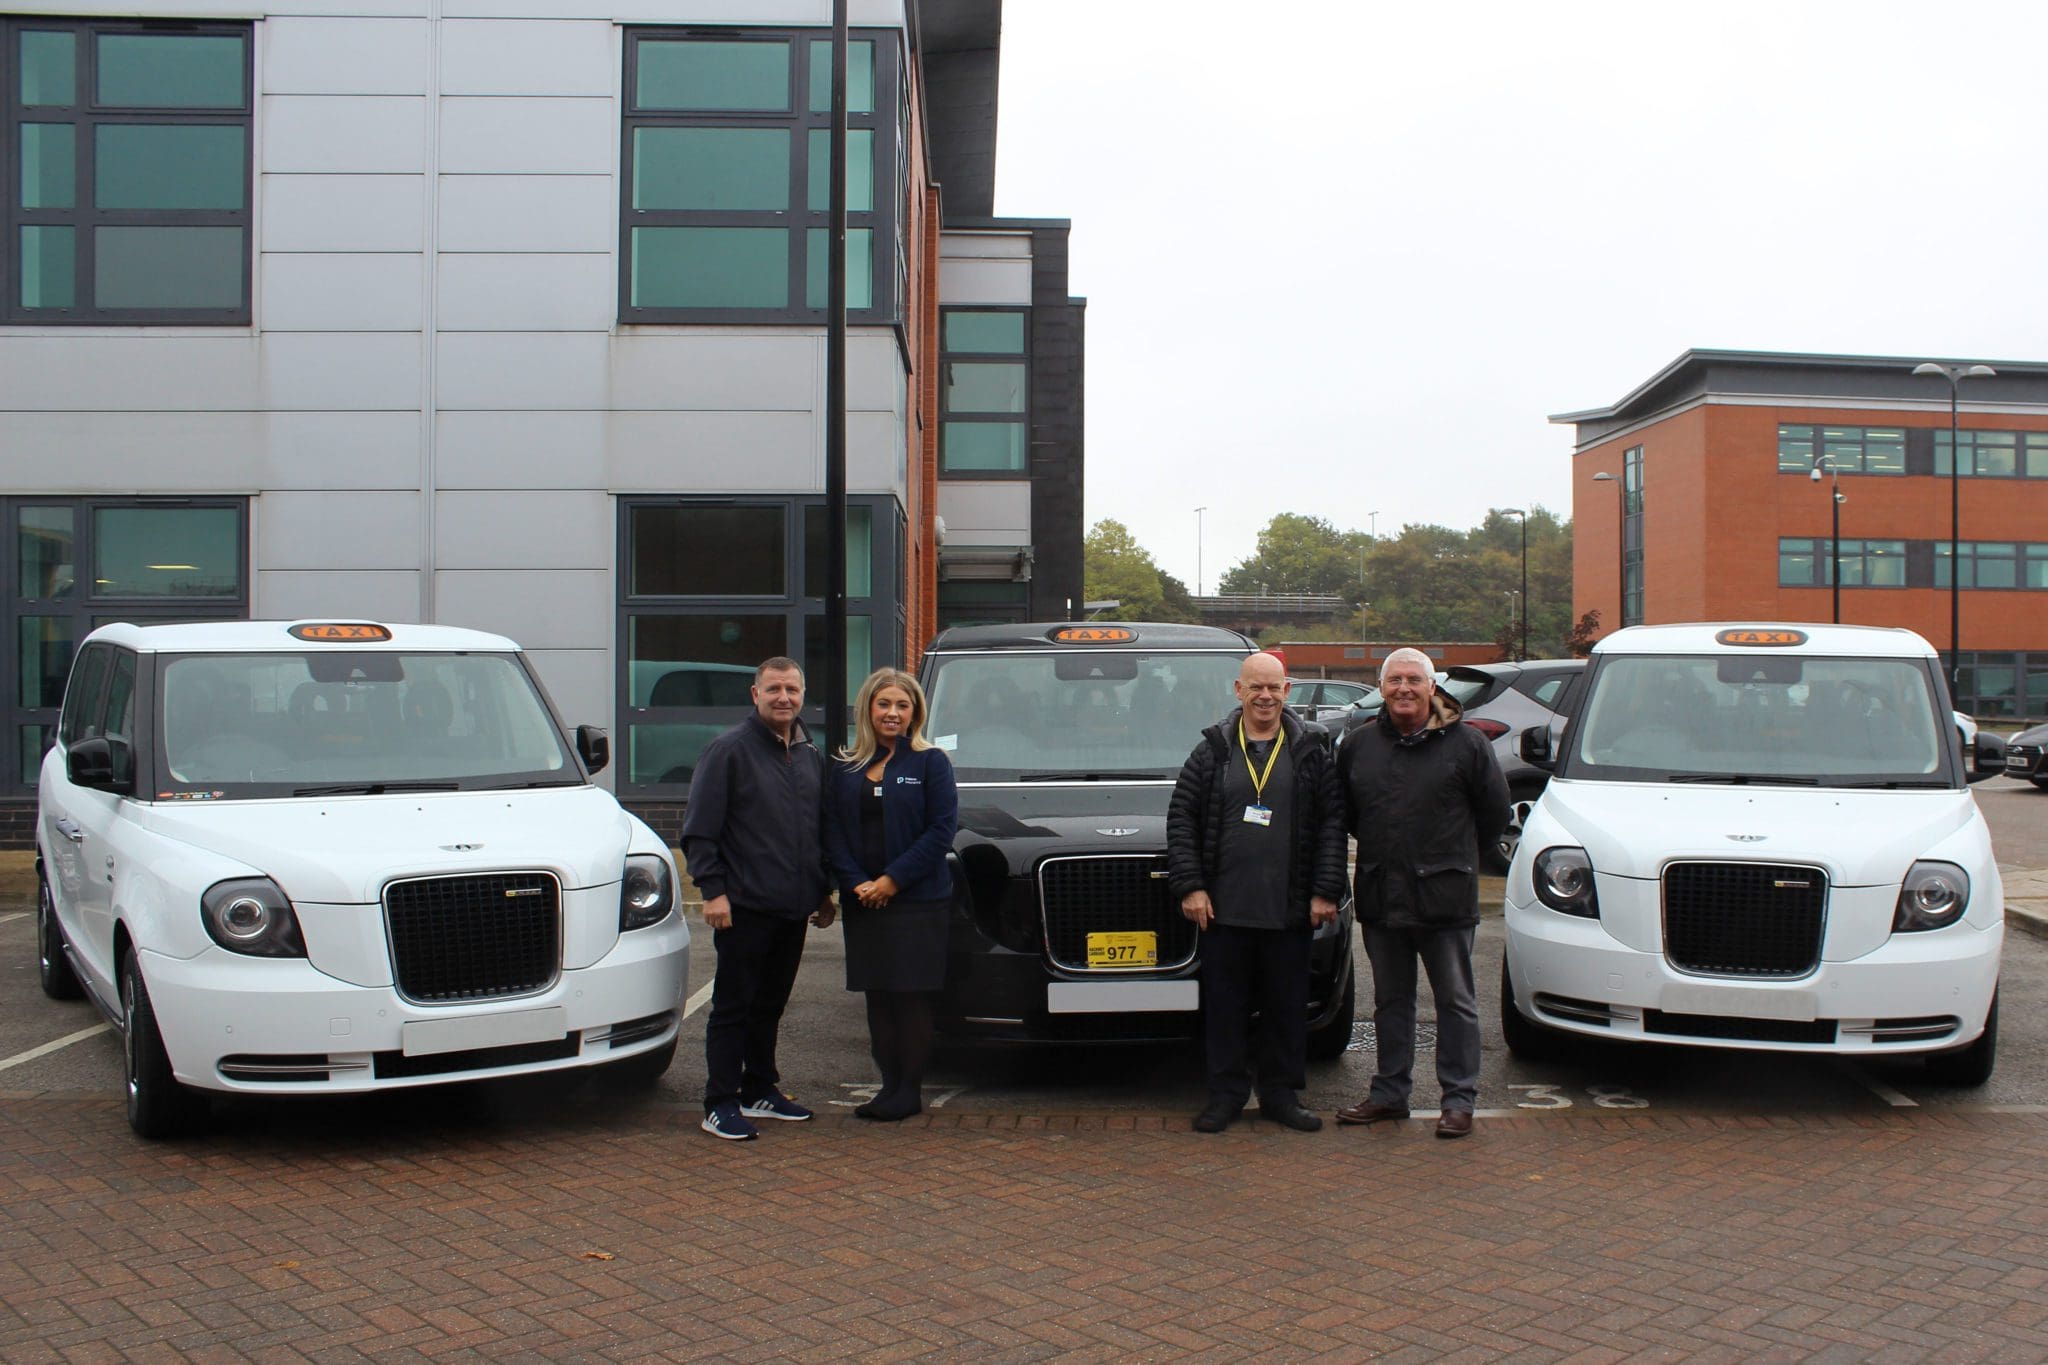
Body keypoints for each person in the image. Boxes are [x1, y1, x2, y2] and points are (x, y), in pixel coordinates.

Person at [1166, 651, 1347, 1134]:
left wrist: (1325, 890)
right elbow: (1181, 818)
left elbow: (1332, 823)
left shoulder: (1311, 750)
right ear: (1238, 691)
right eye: (1255, 687)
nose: (1265, 696)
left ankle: (1280, 1096)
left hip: (1289, 910)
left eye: (1274, 687)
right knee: (1225, 1009)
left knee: (1286, 1008)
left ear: (1287, 691)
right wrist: (1192, 886)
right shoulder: (1212, 751)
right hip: (1224, 910)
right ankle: (1226, 1096)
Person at [1335, 647, 1510, 1139]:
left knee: (1455, 1001)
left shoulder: (1467, 745)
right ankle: (1390, 1095)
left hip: (1445, 898)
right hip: (1382, 894)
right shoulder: (1359, 746)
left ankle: (1458, 1100)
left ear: (1433, 688)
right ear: (1382, 687)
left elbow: (1494, 814)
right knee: (1391, 1002)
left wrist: (1449, 855)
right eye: (1394, 680)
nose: (1404, 689)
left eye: (1414, 679)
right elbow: (1348, 815)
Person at [682, 656, 837, 1141]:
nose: (784, 698)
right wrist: (713, 892)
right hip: (743, 906)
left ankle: (759, 1089)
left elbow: (816, 830)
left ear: (803, 695)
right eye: (774, 689)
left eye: (792, 689)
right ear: (755, 694)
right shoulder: (727, 751)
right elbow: (700, 831)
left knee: (770, 1005)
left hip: (793, 908)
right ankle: (720, 1101)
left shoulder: (810, 754)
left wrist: (824, 891)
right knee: (733, 1007)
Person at [822, 668, 960, 1121]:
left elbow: (940, 832)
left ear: (915, 712)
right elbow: (833, 832)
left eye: (903, 706)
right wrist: (857, 882)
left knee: (909, 996)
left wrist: (892, 880)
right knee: (876, 995)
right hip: (864, 901)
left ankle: (908, 1091)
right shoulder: (845, 767)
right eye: (884, 704)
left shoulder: (930, 762)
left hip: (917, 901)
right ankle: (887, 1087)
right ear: (868, 709)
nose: (893, 713)